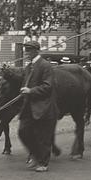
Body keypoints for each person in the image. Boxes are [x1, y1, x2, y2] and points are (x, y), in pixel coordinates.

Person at [17, 40, 59, 172]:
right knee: (23, 131)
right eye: (26, 50)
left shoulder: (45, 66)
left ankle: (43, 163)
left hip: (43, 107)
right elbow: (23, 80)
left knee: (43, 136)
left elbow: (48, 87)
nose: (26, 53)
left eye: (29, 50)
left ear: (36, 51)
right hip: (29, 107)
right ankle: (36, 155)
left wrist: (31, 91)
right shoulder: (29, 67)